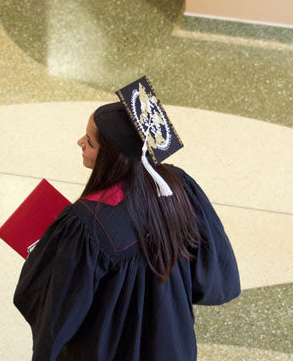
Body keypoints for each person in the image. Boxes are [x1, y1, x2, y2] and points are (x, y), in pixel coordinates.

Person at [14, 78, 241, 361]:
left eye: (91, 141)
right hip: (172, 345)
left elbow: (55, 311)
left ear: (112, 157)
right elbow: (212, 274)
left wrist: (46, 256)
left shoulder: (83, 224)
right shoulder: (178, 186)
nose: (80, 142)